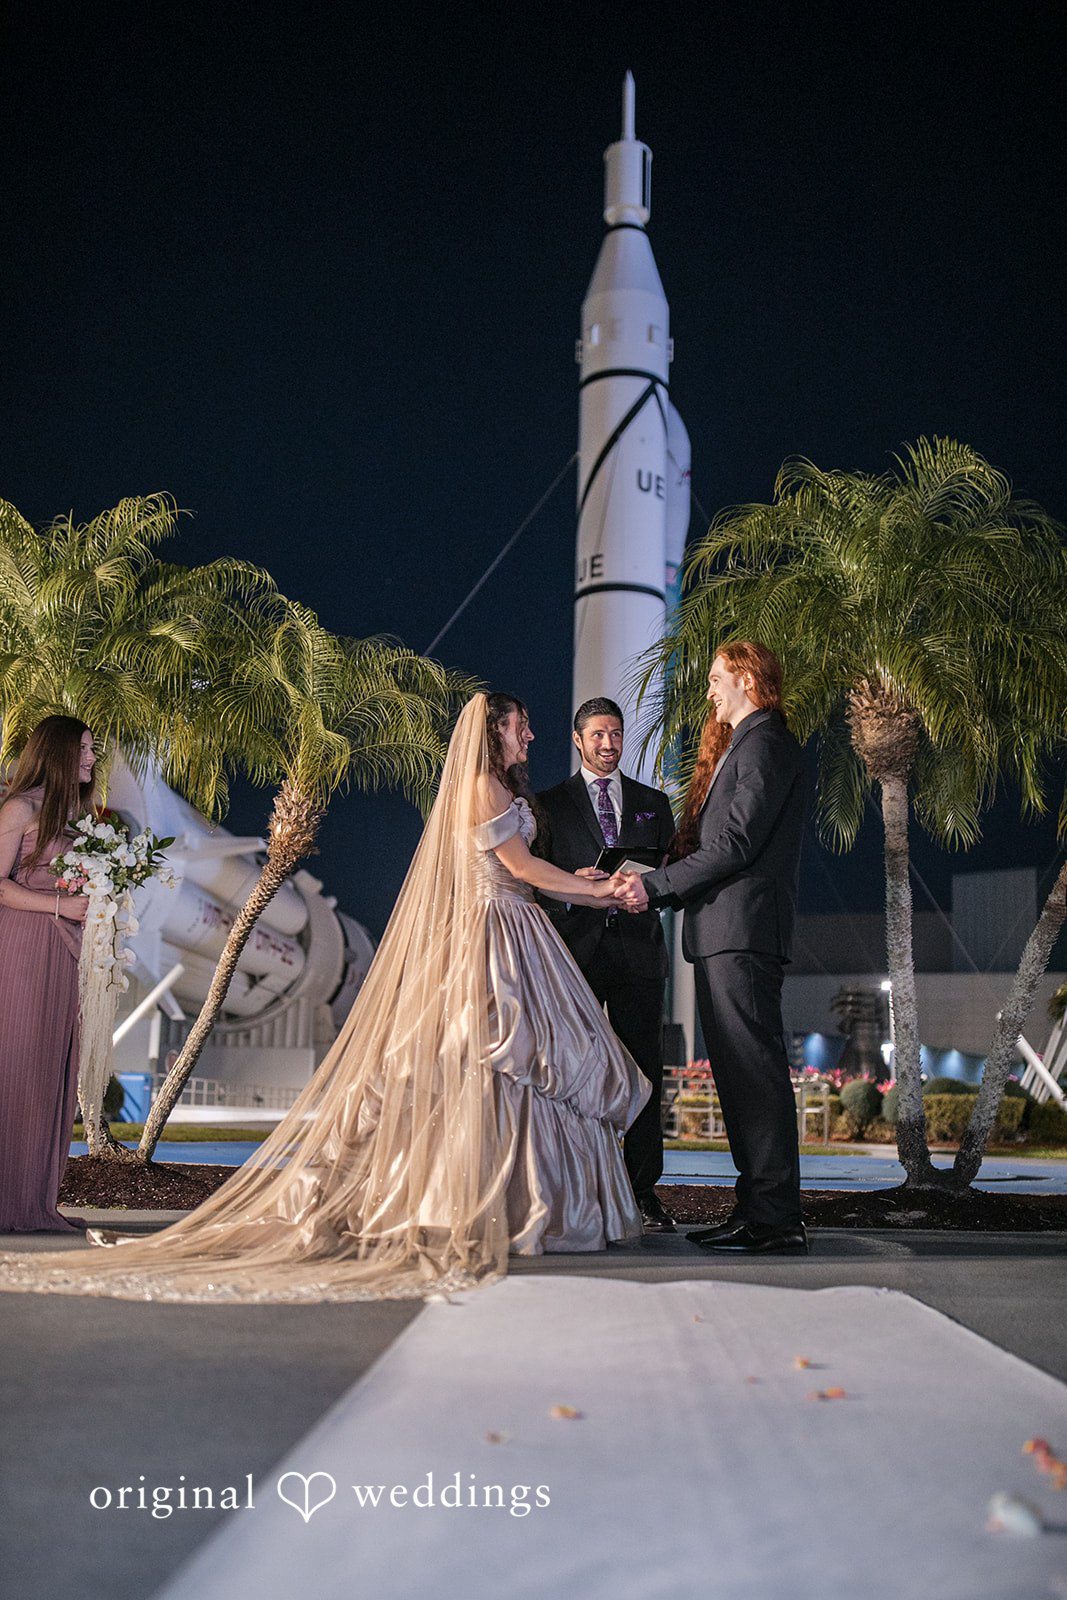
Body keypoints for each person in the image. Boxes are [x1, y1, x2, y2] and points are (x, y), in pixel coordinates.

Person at [0, 693, 649, 1302]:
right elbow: (520, 867)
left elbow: (520, 869)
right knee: (497, 1056)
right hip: (495, 932)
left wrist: (579, 883)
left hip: (516, 925)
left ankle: (507, 1201)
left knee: (510, 1066)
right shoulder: (483, 785)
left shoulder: (501, 789)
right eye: (519, 726)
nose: (529, 735)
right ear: (492, 733)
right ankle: (495, 1204)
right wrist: (597, 891)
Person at [616, 642, 808, 1254]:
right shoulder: (746, 744)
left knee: (754, 1075)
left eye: (717, 678)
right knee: (739, 1077)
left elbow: (735, 846)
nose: (710, 691)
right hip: (727, 935)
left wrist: (653, 886)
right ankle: (758, 1209)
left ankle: (775, 1219)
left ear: (748, 679)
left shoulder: (765, 743)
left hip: (742, 934)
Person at [537, 697, 677, 1233]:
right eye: (597, 734)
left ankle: (642, 1191)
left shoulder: (652, 803)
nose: (608, 743)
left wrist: (649, 890)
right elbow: (532, 884)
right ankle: (572, 1186)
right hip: (576, 952)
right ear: (578, 740)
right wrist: (573, 887)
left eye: (615, 733)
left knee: (644, 1071)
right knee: (570, 1068)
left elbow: (670, 875)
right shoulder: (548, 805)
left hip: (639, 953)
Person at [0, 717, 95, 1232]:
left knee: (49, 1070)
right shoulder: (21, 808)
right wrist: (60, 906)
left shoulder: (77, 816)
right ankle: (10, 1202)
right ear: (57, 753)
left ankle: (36, 1201)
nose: (91, 759)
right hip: (23, 944)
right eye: (83, 749)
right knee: (17, 1065)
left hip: (65, 951)